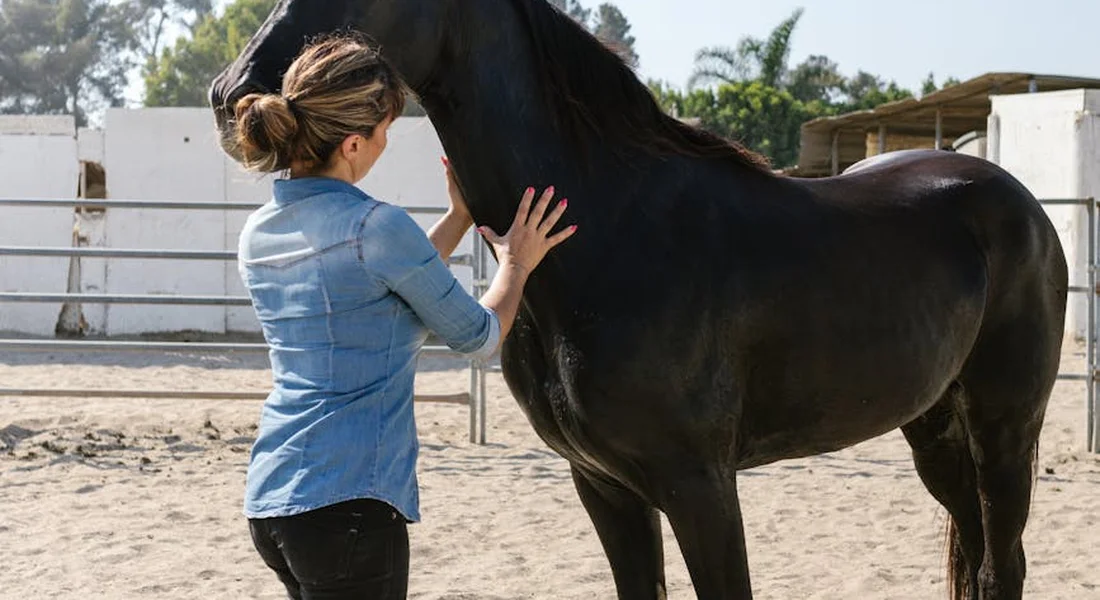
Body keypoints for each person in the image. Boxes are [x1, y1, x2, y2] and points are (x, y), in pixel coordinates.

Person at [231, 35, 576, 599]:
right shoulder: (377, 227)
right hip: (350, 504)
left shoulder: (259, 232)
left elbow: (375, 289)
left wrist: (458, 217)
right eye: (383, 134)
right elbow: (479, 336)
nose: (384, 145)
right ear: (351, 145)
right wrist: (517, 262)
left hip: (273, 501)